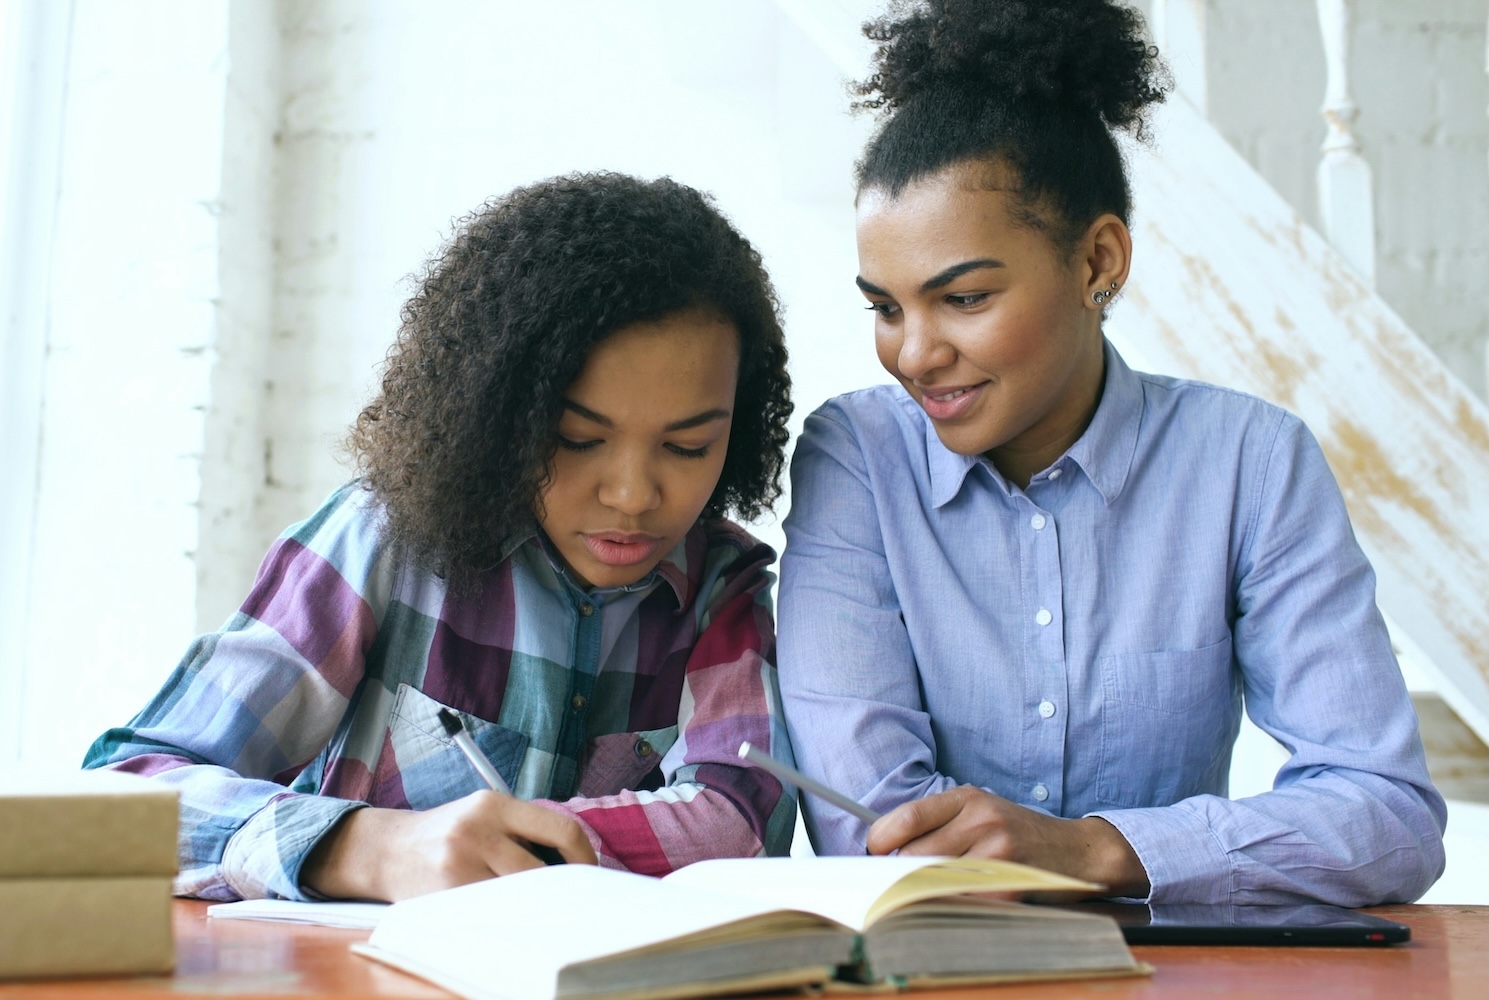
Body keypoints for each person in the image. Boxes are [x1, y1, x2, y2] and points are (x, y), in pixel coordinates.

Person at [776, 0, 1445, 906]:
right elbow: (875, 826)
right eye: (885, 307)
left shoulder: (1249, 462)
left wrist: (1091, 849)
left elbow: (1385, 819)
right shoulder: (855, 457)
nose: (915, 353)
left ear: (1097, 261)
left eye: (963, 298)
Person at [85, 172, 797, 902]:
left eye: (687, 449)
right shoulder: (383, 542)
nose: (632, 495)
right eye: (577, 438)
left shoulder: (723, 587)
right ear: (500, 414)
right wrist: (361, 846)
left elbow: (740, 822)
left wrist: (503, 849)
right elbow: (120, 796)